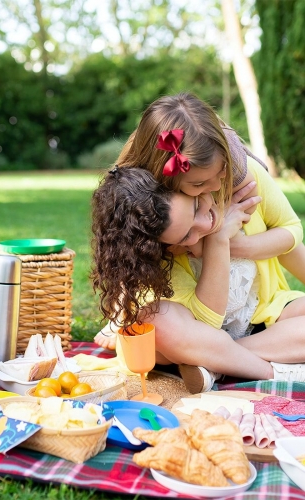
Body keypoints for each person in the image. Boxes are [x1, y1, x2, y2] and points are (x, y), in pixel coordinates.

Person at [94, 92, 305, 352]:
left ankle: (227, 357)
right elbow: (130, 261)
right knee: (158, 334)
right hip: (195, 322)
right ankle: (230, 355)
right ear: (166, 180)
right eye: (198, 185)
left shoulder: (243, 179)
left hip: (263, 309)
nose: (216, 186)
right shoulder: (158, 217)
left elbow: (292, 230)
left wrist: (235, 245)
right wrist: (215, 240)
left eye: (222, 171)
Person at [90, 156, 305, 393]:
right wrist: (218, 240)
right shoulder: (156, 242)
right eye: (184, 236)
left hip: (260, 319)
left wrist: (233, 244)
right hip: (193, 336)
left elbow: (291, 237)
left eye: (196, 207)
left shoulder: (236, 181)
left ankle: (215, 366)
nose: (205, 224)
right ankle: (273, 371)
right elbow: (207, 325)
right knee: (156, 320)